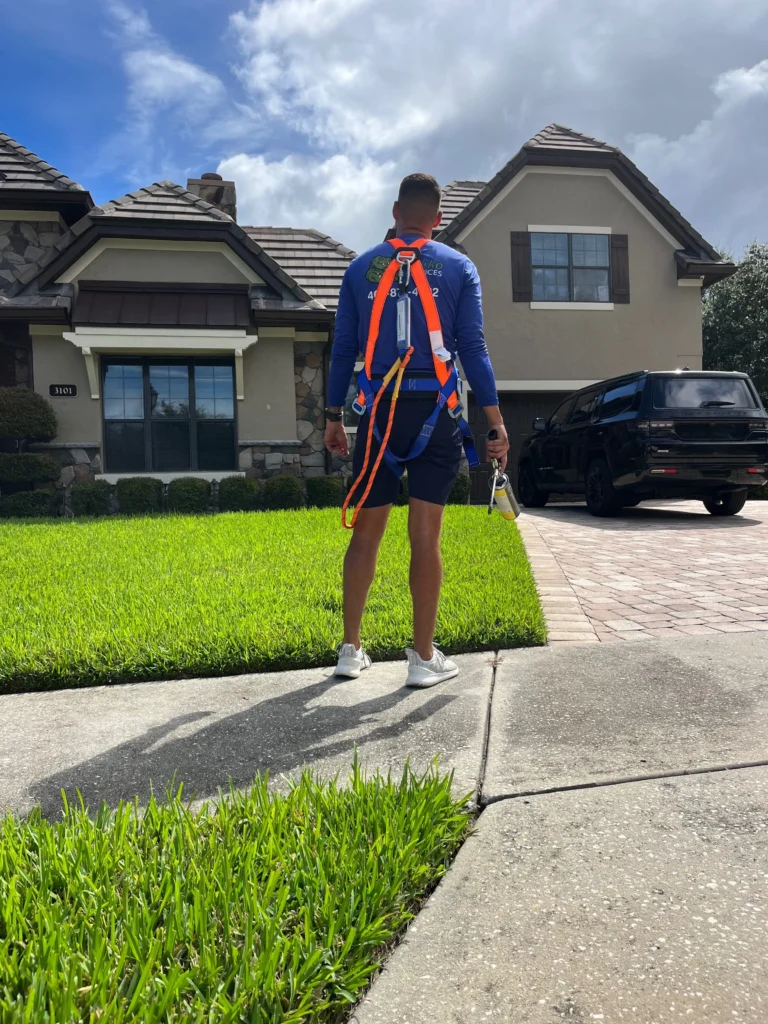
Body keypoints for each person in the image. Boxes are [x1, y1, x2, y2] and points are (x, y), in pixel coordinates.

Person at [324, 172, 509, 688]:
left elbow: (343, 350)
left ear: (394, 212)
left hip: (379, 415)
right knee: (425, 536)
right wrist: (495, 424)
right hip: (436, 413)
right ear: (438, 220)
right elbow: (473, 348)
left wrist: (333, 417)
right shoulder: (458, 266)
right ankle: (422, 658)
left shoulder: (361, 268)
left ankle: (350, 649)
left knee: (366, 532)